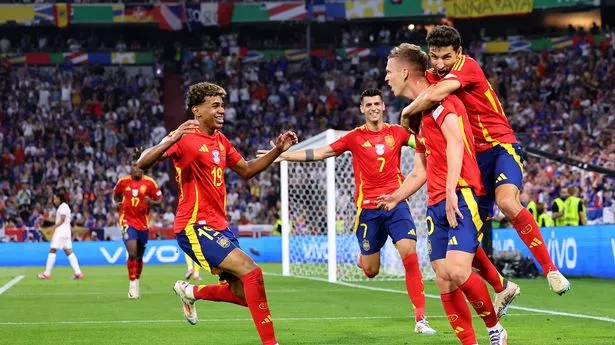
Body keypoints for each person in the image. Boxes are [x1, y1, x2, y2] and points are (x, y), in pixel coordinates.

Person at [400, 25, 570, 296]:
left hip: (501, 146)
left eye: (447, 56)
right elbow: (422, 87)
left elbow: (432, 94)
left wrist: (407, 112)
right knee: (467, 231)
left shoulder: (468, 67)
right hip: (473, 160)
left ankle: (551, 269)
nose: (440, 64)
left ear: (459, 53)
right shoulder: (434, 74)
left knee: (506, 202)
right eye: (434, 57)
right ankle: (502, 288)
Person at [258, 88, 436, 335]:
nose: (373, 108)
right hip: (368, 211)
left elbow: (426, 143)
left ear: (383, 106)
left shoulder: (397, 133)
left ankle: (420, 319)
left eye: (377, 103)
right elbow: (322, 152)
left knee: (410, 255)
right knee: (371, 271)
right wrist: (282, 155)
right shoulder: (354, 137)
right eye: (368, 105)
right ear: (362, 109)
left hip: (396, 204)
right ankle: (362, 259)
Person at [137, 81, 296, 345]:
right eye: (215, 105)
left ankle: (191, 291)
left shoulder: (220, 140)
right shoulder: (184, 137)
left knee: (245, 294)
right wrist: (172, 137)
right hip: (194, 225)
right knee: (252, 271)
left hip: (220, 227)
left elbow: (246, 170)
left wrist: (277, 151)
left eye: (222, 105)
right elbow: (142, 162)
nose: (221, 110)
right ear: (197, 110)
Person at [379, 43, 507, 345]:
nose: (386, 78)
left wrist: (451, 191)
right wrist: (397, 196)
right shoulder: (422, 114)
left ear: (405, 71)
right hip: (437, 200)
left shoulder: (439, 99)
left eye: (389, 72)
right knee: (443, 278)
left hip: (461, 193)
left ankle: (495, 329)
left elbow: (455, 143)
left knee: (458, 270)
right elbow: (420, 170)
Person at [113, 160, 163, 299]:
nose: (137, 169)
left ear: (144, 169)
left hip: (143, 224)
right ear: (131, 167)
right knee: (133, 253)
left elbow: (160, 201)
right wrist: (115, 203)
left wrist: (151, 202)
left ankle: (137, 280)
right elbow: (114, 195)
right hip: (127, 221)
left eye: (140, 167)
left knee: (140, 256)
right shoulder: (123, 182)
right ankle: (132, 284)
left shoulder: (150, 183)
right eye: (134, 166)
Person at [37, 188, 83, 280]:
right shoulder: (64, 207)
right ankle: (78, 273)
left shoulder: (63, 207)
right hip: (66, 232)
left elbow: (61, 220)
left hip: (60, 232)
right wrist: (45, 219)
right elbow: (57, 219)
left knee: (52, 250)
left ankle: (46, 274)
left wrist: (52, 228)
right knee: (68, 251)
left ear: (59, 198)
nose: (54, 200)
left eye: (55, 198)